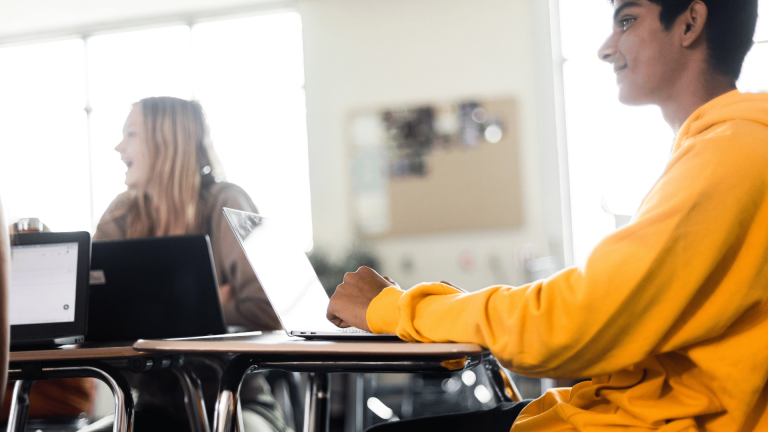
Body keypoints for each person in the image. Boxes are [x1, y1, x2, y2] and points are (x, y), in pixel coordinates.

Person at [327, 0, 768, 431]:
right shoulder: (727, 148)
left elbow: (574, 322)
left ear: (690, 23)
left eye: (627, 20)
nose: (606, 47)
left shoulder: (729, 155)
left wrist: (392, 307)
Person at [95, 96, 288, 431]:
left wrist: (168, 312)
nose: (117, 147)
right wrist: (211, 302)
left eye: (130, 134)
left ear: (165, 140)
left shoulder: (228, 201)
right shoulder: (120, 213)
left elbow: (270, 310)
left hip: (236, 403)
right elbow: (94, 311)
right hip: (149, 409)